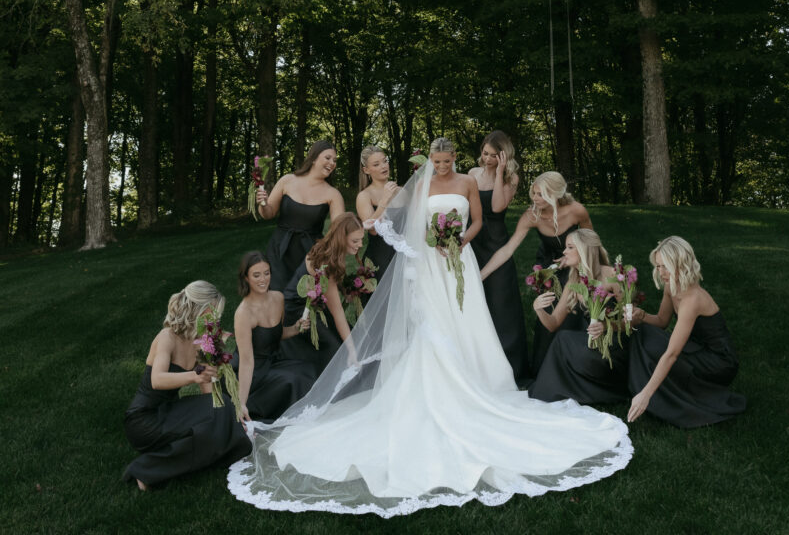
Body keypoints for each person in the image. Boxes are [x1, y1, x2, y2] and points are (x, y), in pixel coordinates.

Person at [228, 138, 632, 517]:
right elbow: (402, 228)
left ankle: (482, 381)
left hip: (461, 260)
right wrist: (425, 239)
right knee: (432, 329)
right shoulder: (415, 187)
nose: (441, 166)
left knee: (469, 322)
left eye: (446, 161)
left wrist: (460, 242)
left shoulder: (468, 182)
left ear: (455, 159)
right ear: (430, 163)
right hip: (429, 267)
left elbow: (476, 221)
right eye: (436, 162)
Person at [123, 281, 251, 489]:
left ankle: (165, 463)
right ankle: (145, 469)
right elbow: (157, 380)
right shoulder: (167, 337)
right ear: (196, 309)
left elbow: (207, 393)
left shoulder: (200, 341)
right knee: (218, 420)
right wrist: (194, 376)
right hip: (143, 421)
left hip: (168, 412)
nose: (215, 318)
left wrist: (229, 417)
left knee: (223, 410)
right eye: (211, 312)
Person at [627, 236, 746, 428]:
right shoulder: (671, 287)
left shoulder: (693, 299)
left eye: (666, 266)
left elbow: (672, 354)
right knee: (642, 332)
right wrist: (642, 316)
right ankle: (638, 386)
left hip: (719, 362)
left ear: (681, 263)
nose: (661, 272)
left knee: (660, 351)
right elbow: (661, 322)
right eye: (658, 266)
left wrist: (646, 395)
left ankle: (649, 395)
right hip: (696, 349)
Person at [479, 170, 592, 371]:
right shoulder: (532, 215)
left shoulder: (577, 211)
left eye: (541, 195)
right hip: (549, 265)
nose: (535, 199)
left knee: (574, 310)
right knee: (548, 308)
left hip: (577, 263)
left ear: (556, 194)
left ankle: (576, 367)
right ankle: (547, 367)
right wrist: (481, 275)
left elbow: (591, 242)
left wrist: (574, 259)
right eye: (534, 193)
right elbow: (507, 250)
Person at [527, 229, 629, 405]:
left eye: (570, 247)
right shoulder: (574, 282)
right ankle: (552, 391)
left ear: (584, 250)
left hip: (615, 346)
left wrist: (606, 326)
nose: (564, 252)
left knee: (564, 340)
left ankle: (559, 390)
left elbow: (631, 321)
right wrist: (539, 310)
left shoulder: (613, 275)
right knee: (562, 338)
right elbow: (553, 324)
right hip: (590, 343)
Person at [467, 130, 528, 383]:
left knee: (501, 303)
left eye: (494, 155)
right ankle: (478, 365)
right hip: (472, 241)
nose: (488, 159)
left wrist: (500, 172)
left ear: (503, 155)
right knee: (475, 303)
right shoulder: (471, 174)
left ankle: (510, 368)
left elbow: (496, 207)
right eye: (485, 153)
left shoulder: (511, 177)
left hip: (495, 243)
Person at [233, 252, 318, 422]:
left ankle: (306, 415)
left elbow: (275, 335)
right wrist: (241, 403)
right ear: (246, 278)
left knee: (308, 369)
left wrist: (295, 328)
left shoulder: (278, 298)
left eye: (266, 273)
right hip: (252, 371)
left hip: (273, 361)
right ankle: (293, 418)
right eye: (256, 275)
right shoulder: (243, 313)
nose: (263, 279)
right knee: (293, 379)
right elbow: (246, 360)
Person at [254, 140, 345, 291]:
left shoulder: (333, 194)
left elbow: (338, 231)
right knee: (276, 297)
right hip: (279, 251)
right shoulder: (287, 180)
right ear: (314, 158)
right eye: (328, 158)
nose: (332, 163)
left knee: (303, 301)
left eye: (334, 160)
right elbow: (268, 214)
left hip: (310, 256)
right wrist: (263, 203)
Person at [282, 212, 366, 372]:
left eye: (361, 239)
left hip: (317, 305)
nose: (360, 244)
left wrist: (346, 289)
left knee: (354, 338)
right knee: (336, 350)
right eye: (355, 241)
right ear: (342, 239)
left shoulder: (332, 252)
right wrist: (352, 351)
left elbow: (335, 281)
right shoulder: (324, 262)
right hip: (298, 310)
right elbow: (338, 313)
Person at [355, 146, 399, 279]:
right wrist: (384, 200)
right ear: (366, 170)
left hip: (404, 256)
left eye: (385, 161)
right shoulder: (364, 196)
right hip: (380, 258)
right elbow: (373, 230)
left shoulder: (403, 191)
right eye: (376, 164)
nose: (383, 166)